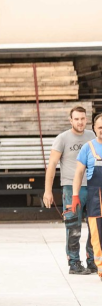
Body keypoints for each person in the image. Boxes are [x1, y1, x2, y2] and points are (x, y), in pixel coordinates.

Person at [44, 106, 94, 275]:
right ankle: (74, 263)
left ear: (86, 119)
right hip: (71, 189)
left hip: (93, 187)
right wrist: (48, 191)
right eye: (76, 119)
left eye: (83, 118)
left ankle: (92, 262)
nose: (80, 122)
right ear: (70, 120)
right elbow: (52, 165)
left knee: (95, 226)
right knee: (73, 227)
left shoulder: (92, 136)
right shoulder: (62, 138)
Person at [68, 112, 102, 280]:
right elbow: (79, 173)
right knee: (97, 235)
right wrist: (75, 196)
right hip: (96, 199)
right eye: (100, 127)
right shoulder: (88, 148)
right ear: (94, 128)